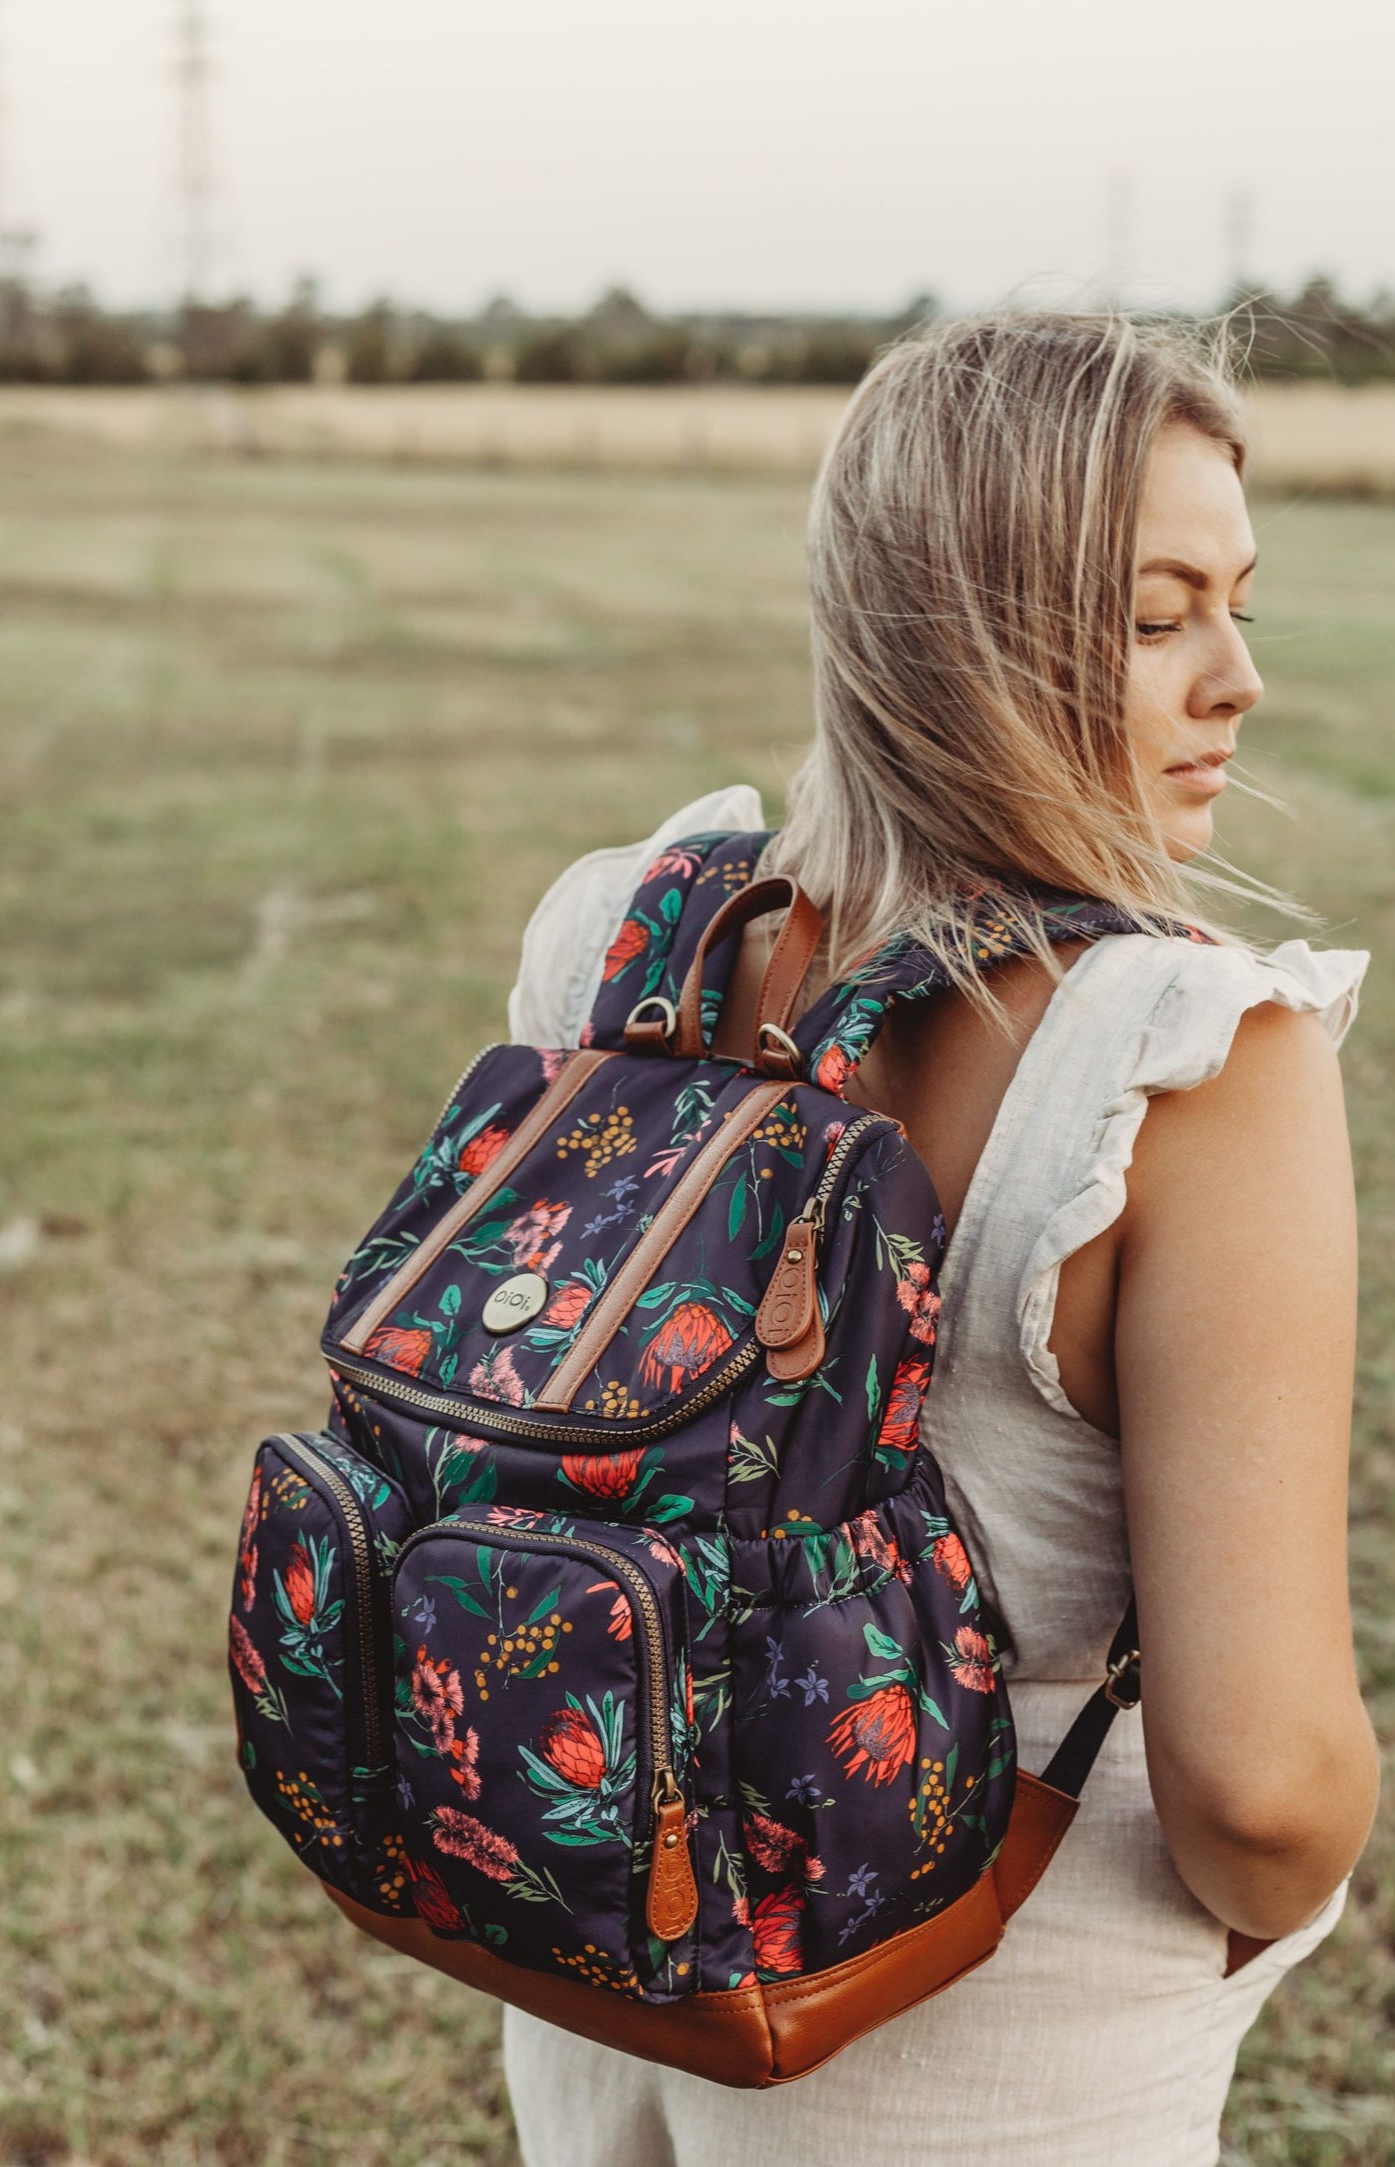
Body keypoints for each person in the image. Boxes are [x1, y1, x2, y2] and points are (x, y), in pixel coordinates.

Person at [499, 313, 1379, 2165]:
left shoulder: (620, 948)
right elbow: (1257, 1787)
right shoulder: (1192, 1065)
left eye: (1237, 604)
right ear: (968, 635)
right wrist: (1278, 1906)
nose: (1233, 678)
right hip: (1004, 2037)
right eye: (1155, 617)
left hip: (608, 1971)